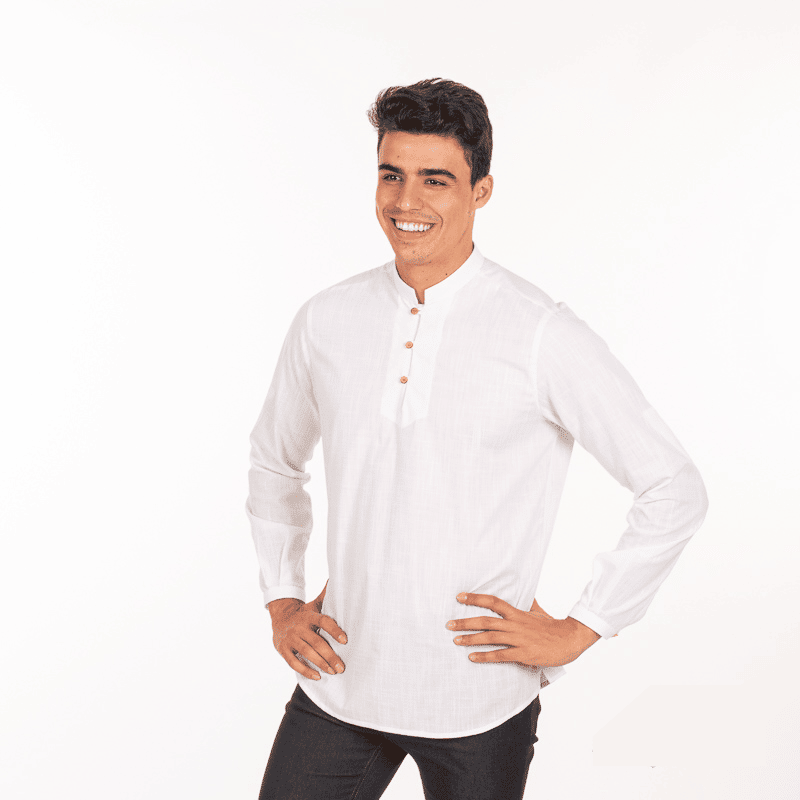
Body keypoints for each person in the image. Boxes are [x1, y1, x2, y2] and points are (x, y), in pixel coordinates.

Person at [246, 78, 708, 800]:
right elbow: (275, 460)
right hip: (339, 680)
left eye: (436, 180)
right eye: (391, 175)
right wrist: (282, 598)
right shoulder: (326, 319)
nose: (406, 201)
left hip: (477, 698)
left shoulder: (538, 331)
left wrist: (583, 625)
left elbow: (673, 486)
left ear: (481, 190)